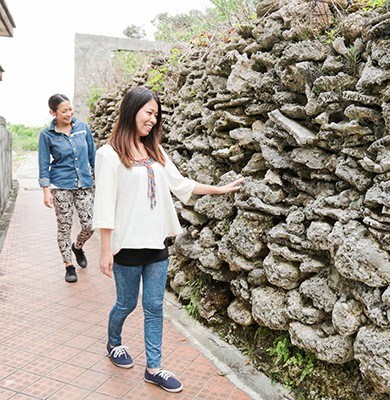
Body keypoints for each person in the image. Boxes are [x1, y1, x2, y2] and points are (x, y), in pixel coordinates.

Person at [92, 86, 243, 393]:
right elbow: (105, 203)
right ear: (131, 110)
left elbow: (181, 184)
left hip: (157, 244)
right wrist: (105, 249)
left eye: (156, 115)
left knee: (154, 306)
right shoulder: (108, 155)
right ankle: (114, 342)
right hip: (127, 245)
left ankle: (154, 367)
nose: (153, 119)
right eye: (149, 112)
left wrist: (220, 190)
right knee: (125, 303)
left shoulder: (156, 152)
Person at [38, 94, 96, 283]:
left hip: (84, 183)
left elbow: (93, 157)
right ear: (53, 112)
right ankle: (69, 266)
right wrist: (46, 190)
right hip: (60, 185)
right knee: (64, 226)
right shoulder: (47, 135)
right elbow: (44, 164)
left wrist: (101, 179)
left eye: (70, 109)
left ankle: (77, 247)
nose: (69, 113)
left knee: (89, 225)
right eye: (64, 111)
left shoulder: (82, 129)